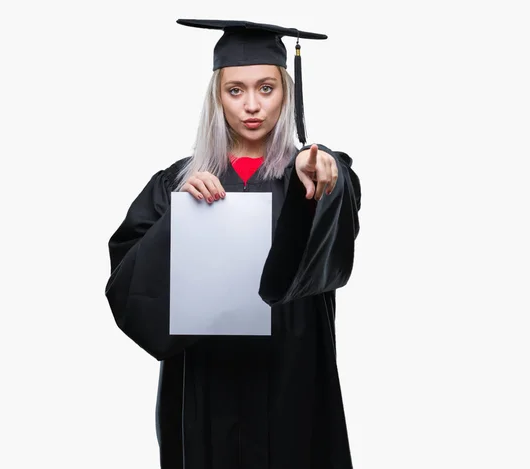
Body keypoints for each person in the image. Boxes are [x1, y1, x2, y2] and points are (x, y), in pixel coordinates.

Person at [105, 19, 362, 469]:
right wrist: (181, 220)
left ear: (286, 92)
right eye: (235, 90)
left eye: (266, 88)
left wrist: (323, 171)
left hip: (292, 374)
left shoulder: (306, 172)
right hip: (207, 377)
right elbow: (128, 284)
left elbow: (340, 197)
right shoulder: (178, 181)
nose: (252, 106)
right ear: (217, 97)